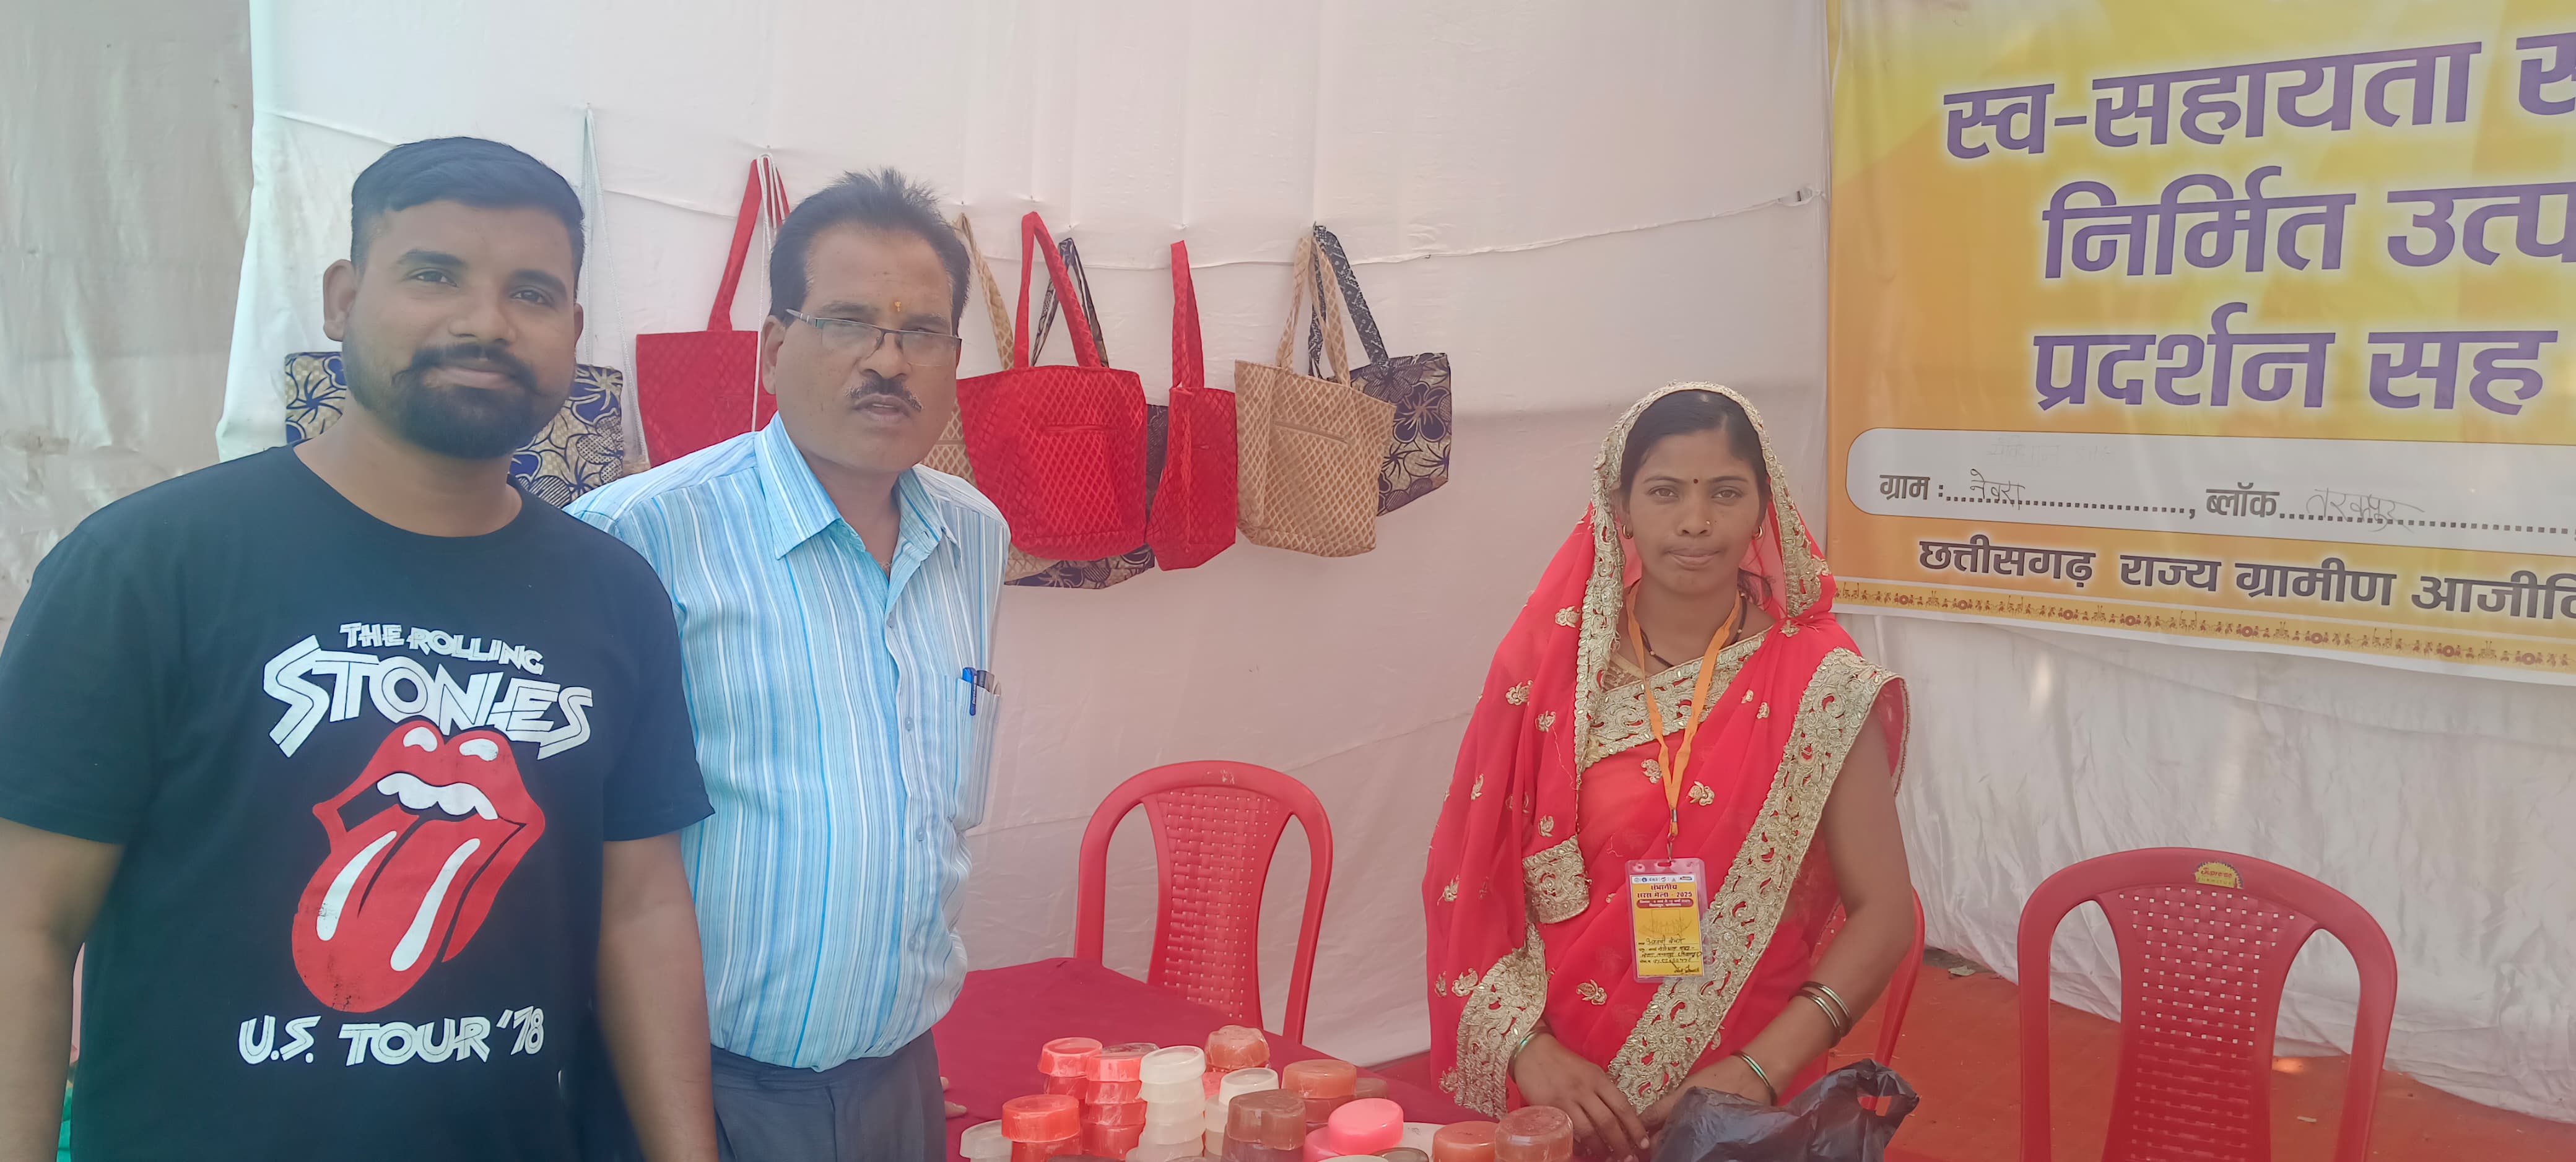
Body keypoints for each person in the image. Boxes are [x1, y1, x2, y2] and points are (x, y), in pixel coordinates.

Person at [0, 137, 720, 1161]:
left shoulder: (616, 592)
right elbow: (24, 920)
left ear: (573, 330)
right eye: (434, 275)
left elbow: (640, 909)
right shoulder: (149, 563)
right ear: (342, 300)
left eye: (531, 292)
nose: (485, 322)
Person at [566, 168, 1006, 1162]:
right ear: (772, 348)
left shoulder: (976, 536)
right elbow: (571, 848)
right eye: (847, 322)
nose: (887, 361)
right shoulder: (637, 535)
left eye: (921, 332)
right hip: (688, 1089)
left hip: (898, 1080)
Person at [1422, 384, 1913, 1160]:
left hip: (1747, 1090)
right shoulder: (1546, 673)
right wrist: (1527, 1048)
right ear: (1619, 509)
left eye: (1724, 491)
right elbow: (1468, 878)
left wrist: (1757, 1070)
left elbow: (1883, 913)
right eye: (1663, 491)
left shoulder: (1821, 682)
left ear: (1763, 508)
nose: (1694, 520)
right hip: (1565, 1086)